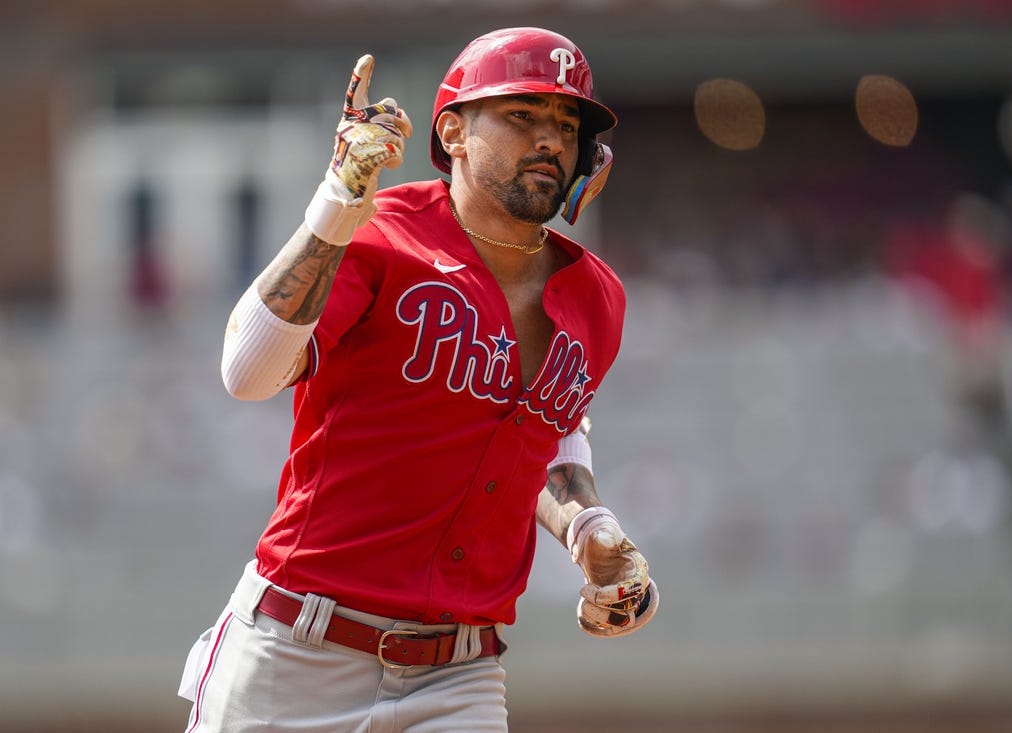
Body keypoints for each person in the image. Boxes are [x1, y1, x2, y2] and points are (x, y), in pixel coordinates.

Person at [178, 27, 658, 733]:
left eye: (566, 123)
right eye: (521, 116)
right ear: (454, 133)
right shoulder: (378, 235)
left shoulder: (598, 296)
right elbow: (246, 372)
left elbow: (543, 428)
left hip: (460, 676)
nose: (551, 140)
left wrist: (592, 528)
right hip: (296, 656)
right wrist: (339, 197)